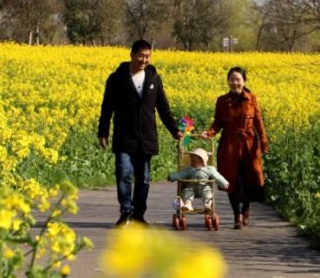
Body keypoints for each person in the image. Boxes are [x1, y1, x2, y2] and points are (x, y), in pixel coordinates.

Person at [98, 39, 183, 227]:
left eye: (148, 56)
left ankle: (138, 215)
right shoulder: (116, 79)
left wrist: (175, 130)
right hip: (124, 135)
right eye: (141, 56)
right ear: (132, 55)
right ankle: (126, 212)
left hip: (146, 137)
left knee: (143, 179)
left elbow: (163, 107)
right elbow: (107, 107)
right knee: (123, 173)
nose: (144, 60)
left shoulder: (154, 79)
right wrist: (103, 132)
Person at [201, 66, 268, 229]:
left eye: (238, 79)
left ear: (244, 81)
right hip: (229, 145)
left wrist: (264, 142)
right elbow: (218, 122)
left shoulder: (252, 98)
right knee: (231, 181)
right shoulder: (222, 101)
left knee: (248, 179)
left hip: (249, 144)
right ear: (228, 81)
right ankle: (236, 216)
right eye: (232, 79)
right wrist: (209, 132)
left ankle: (245, 209)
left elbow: (258, 121)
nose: (234, 82)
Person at [168, 147, 230, 212]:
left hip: (204, 186)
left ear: (202, 160)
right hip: (191, 186)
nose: (192, 159)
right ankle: (188, 204)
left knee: (207, 193)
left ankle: (207, 204)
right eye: (192, 158)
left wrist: (224, 183)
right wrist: (172, 177)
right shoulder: (189, 169)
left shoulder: (209, 169)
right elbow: (181, 174)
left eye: (195, 158)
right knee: (187, 191)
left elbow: (217, 176)